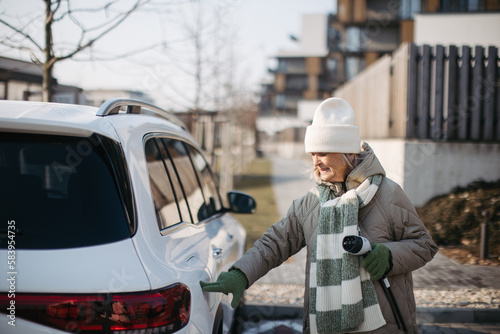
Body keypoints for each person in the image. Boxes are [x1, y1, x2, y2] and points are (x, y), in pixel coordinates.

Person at [200, 97, 438, 333]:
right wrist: (241, 274)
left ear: (347, 152)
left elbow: (424, 245)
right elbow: (274, 243)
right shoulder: (311, 203)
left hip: (382, 326)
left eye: (322, 153)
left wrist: (390, 256)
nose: (316, 162)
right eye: (313, 154)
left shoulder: (387, 194)